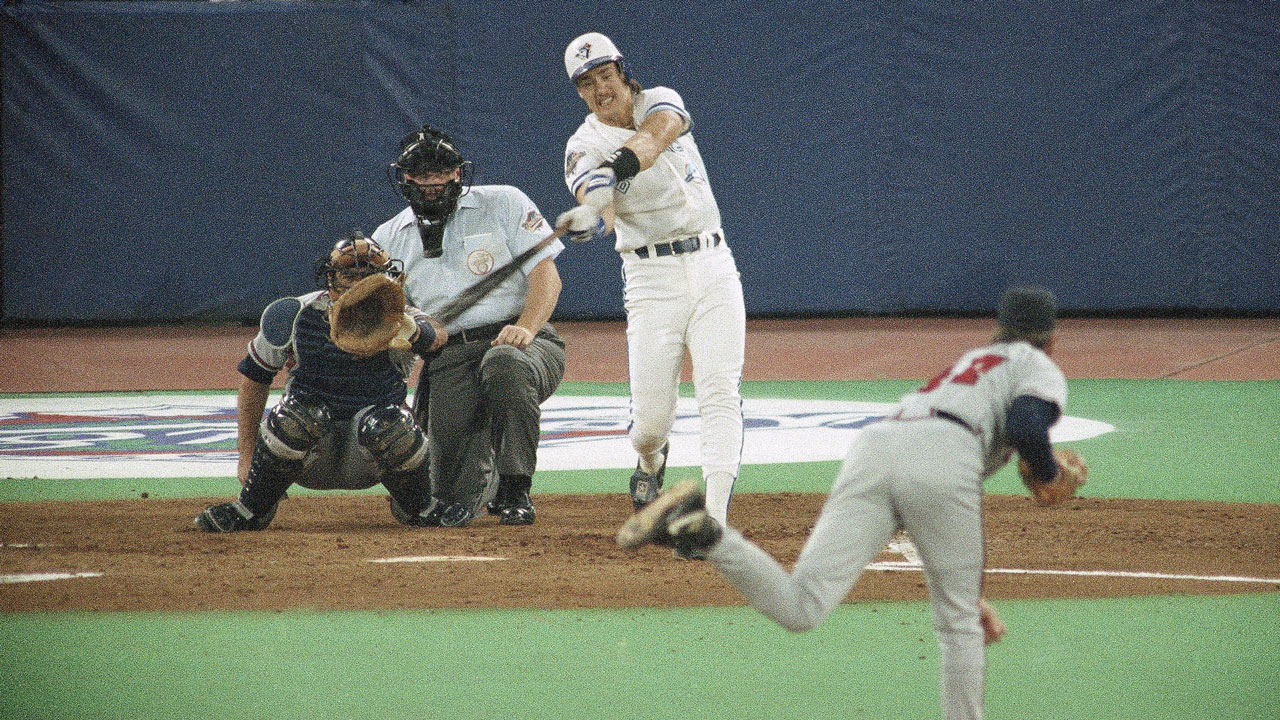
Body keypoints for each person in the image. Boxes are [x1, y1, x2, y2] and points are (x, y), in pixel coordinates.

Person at [618, 286, 1078, 720]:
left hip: (877, 444)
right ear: (1051, 341)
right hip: (946, 451)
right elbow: (1024, 425)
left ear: (998, 329)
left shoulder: (978, 359)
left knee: (803, 606)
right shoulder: (1038, 366)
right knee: (959, 626)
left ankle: (707, 533)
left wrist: (969, 591)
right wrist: (1049, 473)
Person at [556, 32, 746, 530]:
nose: (600, 89)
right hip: (651, 276)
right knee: (651, 423)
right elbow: (596, 196)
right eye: (586, 83)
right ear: (578, 92)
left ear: (621, 71)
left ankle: (717, 518)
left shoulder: (660, 100)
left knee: (719, 391)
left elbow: (660, 133)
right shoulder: (583, 145)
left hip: (713, 263)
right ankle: (649, 461)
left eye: (604, 75)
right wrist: (592, 213)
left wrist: (616, 168)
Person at [194, 233, 457, 532]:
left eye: (369, 274)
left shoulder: (401, 316)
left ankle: (420, 506)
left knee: (391, 423)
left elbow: (438, 337)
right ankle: (251, 507)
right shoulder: (292, 314)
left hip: (372, 455)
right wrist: (247, 454)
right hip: (310, 453)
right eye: (350, 273)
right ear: (331, 278)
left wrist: (415, 332)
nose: (360, 282)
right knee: (295, 415)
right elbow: (254, 380)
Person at [372, 124, 566, 527]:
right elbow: (393, 322)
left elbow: (547, 277)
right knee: (437, 500)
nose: (432, 183)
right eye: (422, 174)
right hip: (449, 355)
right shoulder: (387, 238)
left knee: (504, 364)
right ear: (404, 178)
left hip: (524, 343)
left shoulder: (505, 202)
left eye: (442, 172)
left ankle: (515, 490)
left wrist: (527, 328)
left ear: (459, 173)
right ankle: (484, 473)